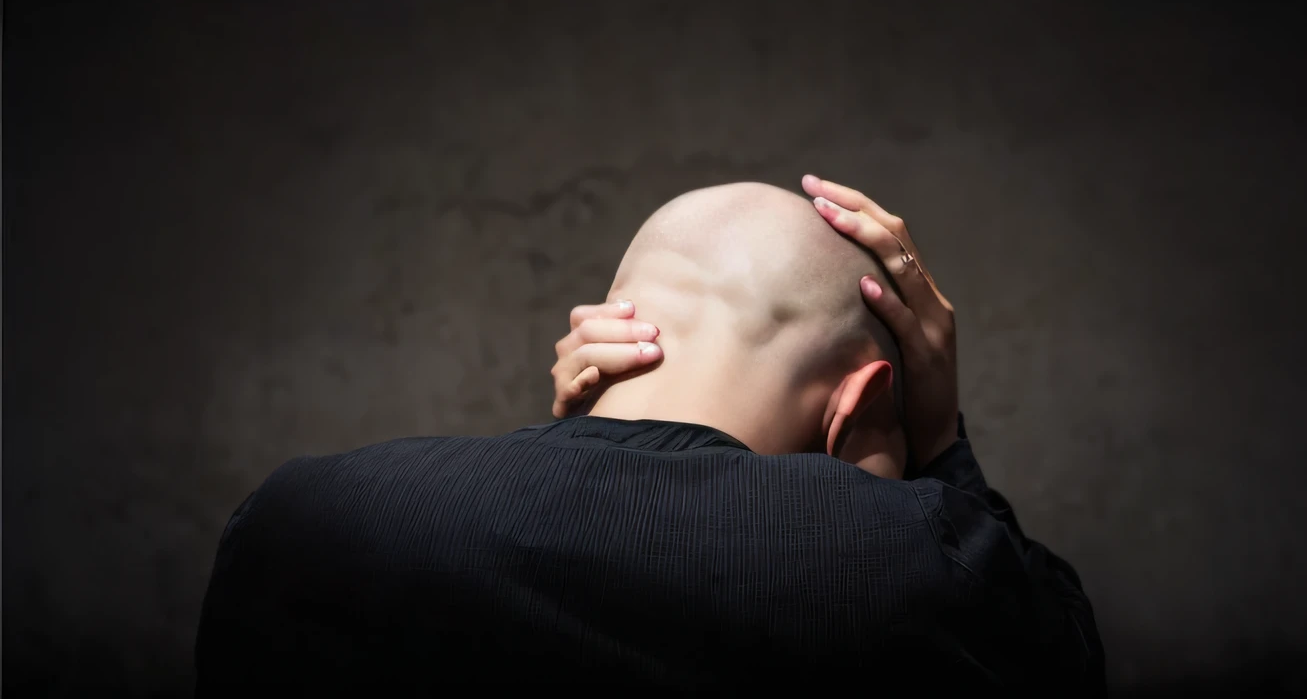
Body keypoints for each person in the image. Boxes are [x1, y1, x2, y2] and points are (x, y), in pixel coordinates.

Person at [193, 175, 1105, 694]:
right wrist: (938, 441)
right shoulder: (916, 560)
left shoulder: (302, 522)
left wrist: (584, 439)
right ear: (858, 401)